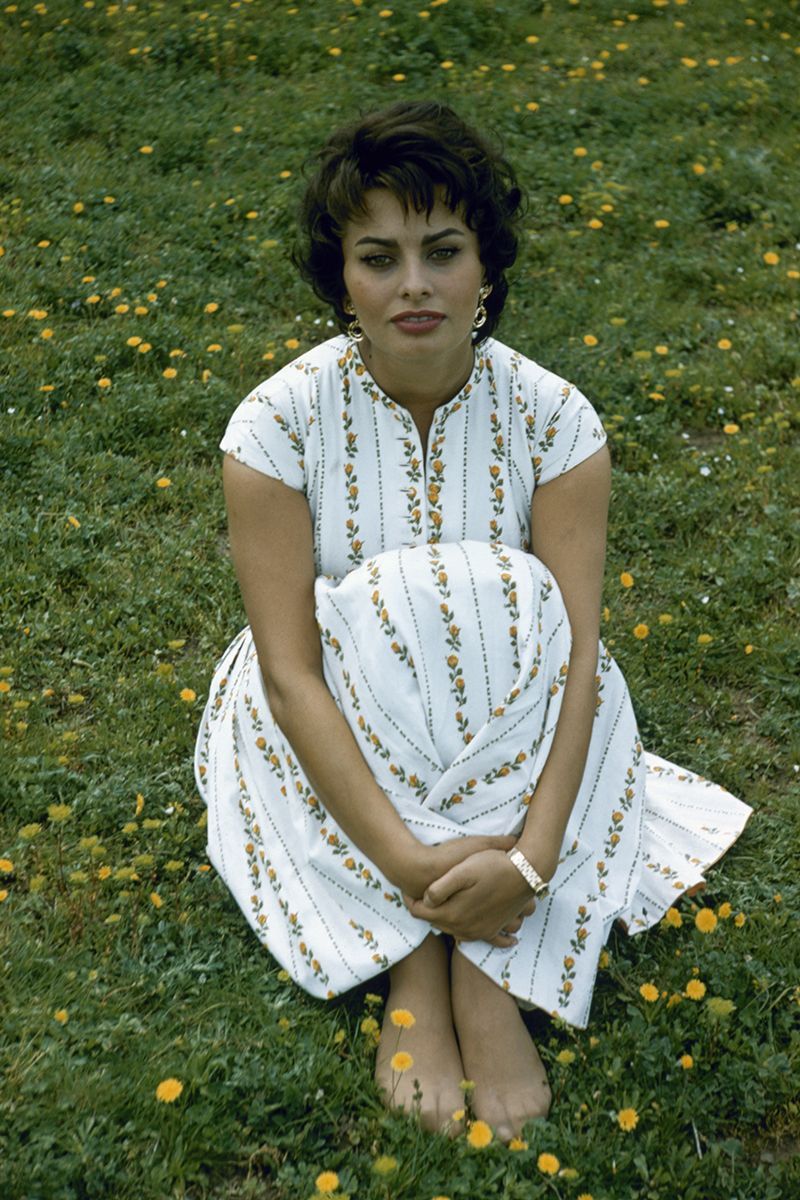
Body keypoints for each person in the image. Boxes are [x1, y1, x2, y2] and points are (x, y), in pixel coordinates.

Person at [194, 100, 751, 1141]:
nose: (413, 286)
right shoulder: (272, 427)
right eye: (377, 256)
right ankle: (415, 949)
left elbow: (577, 659)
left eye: (441, 250)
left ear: (483, 266)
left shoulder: (554, 420)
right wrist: (412, 872)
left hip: (516, 715)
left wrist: (530, 863)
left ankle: (491, 971)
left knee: (505, 599)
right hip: (328, 713)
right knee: (377, 605)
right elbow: (288, 676)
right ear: (340, 280)